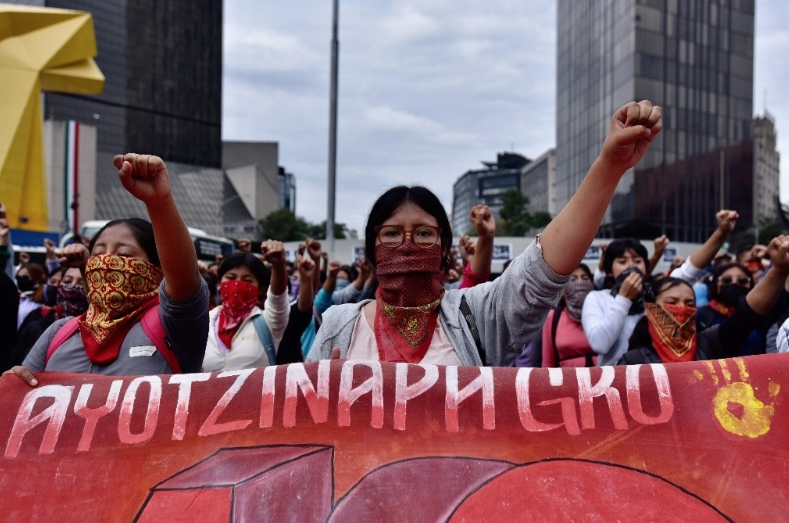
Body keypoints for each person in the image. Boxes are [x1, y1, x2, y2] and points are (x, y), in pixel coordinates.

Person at [307, 100, 664, 365]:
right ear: (370, 248)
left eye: (424, 234)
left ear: (444, 247)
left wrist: (610, 166)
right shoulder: (339, 325)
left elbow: (541, 272)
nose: (407, 245)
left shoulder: (475, 315)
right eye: (391, 234)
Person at [6, 153, 209, 386]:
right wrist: (12, 385)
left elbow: (184, 276)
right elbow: (21, 398)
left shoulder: (173, 325)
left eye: (124, 255)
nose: (108, 262)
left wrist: (160, 202)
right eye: (99, 253)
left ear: (157, 270)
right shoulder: (59, 333)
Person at [583, 209, 738, 366]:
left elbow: (690, 269)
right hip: (616, 381)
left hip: (658, 375)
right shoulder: (597, 298)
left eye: (637, 261)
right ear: (609, 271)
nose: (631, 267)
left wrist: (721, 232)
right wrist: (623, 299)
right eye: (622, 262)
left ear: (646, 266)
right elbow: (600, 345)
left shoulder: (655, 293)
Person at [620, 235, 789, 364]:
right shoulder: (633, 361)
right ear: (651, 308)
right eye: (671, 303)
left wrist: (779, 269)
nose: (681, 309)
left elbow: (747, 314)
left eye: (689, 304)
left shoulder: (709, 345)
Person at [202, 247, 292, 372]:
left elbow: (278, 298)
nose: (237, 285)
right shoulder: (204, 321)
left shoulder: (268, 322)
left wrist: (278, 264)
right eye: (231, 278)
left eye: (247, 280)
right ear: (219, 283)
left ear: (260, 289)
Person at [696, 260, 789, 356]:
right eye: (726, 280)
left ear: (751, 286)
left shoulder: (761, 314)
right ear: (716, 285)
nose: (734, 284)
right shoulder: (700, 315)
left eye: (742, 280)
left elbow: (786, 289)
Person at [539, 264, 597, 367]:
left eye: (584, 278)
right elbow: (548, 362)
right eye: (573, 279)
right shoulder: (552, 318)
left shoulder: (602, 313)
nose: (580, 283)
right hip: (568, 382)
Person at [15, 262, 48, 329]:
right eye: (18, 277)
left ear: (36, 278)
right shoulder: (18, 298)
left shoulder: (44, 295)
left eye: (25, 277)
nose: (21, 280)